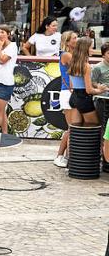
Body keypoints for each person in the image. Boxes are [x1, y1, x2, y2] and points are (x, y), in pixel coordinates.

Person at [68, 37, 108, 126]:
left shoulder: (73, 63)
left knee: (75, 129)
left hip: (74, 97)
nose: (92, 50)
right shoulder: (86, 66)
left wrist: (97, 86)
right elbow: (89, 90)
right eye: (91, 48)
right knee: (93, 127)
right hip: (83, 99)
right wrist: (101, 90)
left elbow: (71, 85)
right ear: (85, 49)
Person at [54, 31, 78, 168]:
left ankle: (66, 157)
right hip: (68, 93)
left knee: (72, 128)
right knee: (72, 128)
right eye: (74, 38)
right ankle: (62, 156)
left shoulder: (71, 54)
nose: (77, 39)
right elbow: (79, 68)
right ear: (68, 42)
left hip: (71, 92)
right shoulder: (66, 55)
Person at [0, 25, 18, 133]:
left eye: (3, 32)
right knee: (1, 112)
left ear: (8, 34)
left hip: (6, 83)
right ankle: (5, 134)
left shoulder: (12, 46)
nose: (0, 34)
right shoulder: (3, 48)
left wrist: (0, 47)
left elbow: (2, 60)